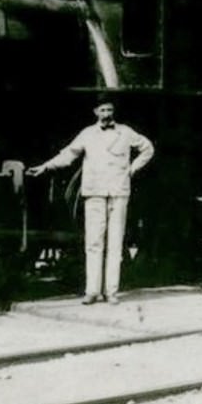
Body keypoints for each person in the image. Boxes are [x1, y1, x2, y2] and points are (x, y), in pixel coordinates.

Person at [27, 94, 154, 305]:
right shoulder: (87, 134)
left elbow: (147, 148)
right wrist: (45, 166)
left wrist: (132, 169)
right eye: (102, 110)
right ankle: (92, 291)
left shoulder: (125, 132)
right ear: (95, 112)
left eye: (109, 110)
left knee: (115, 242)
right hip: (94, 192)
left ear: (114, 112)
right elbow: (68, 154)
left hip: (118, 192)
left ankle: (111, 291)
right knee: (94, 242)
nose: (106, 114)